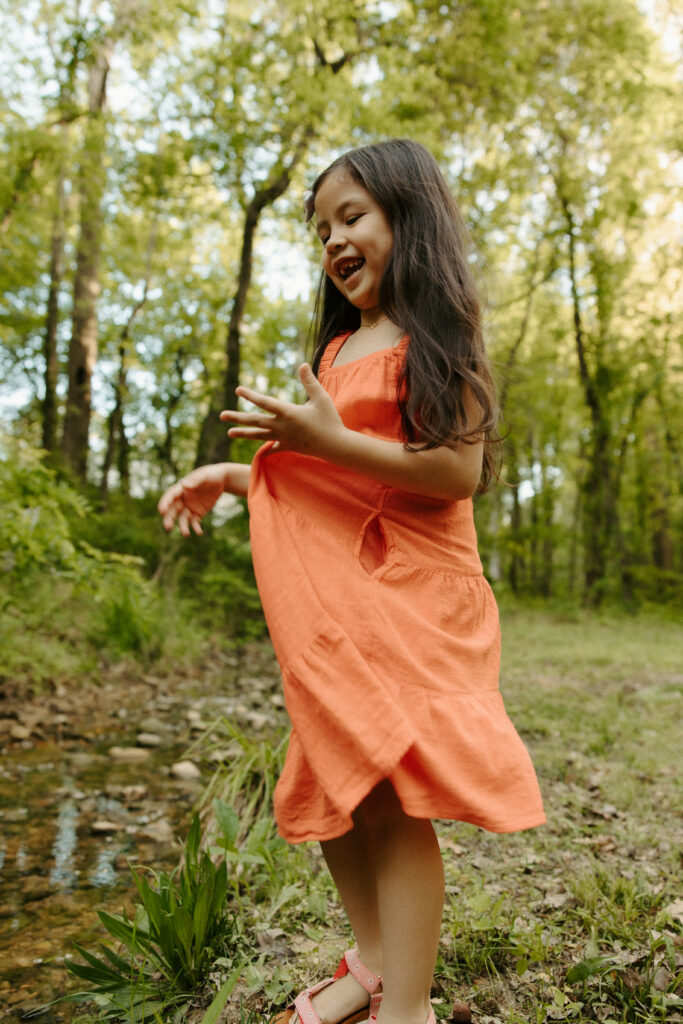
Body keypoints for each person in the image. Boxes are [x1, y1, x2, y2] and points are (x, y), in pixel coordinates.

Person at [158, 139, 545, 1024]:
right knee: (341, 787)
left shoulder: (438, 341)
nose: (332, 238)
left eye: (352, 215)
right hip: (341, 607)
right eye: (321, 226)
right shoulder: (337, 349)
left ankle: (404, 1008)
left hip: (411, 598)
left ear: (410, 218)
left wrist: (326, 441)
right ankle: (371, 964)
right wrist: (234, 477)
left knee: (394, 795)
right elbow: (332, 482)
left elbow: (452, 472)